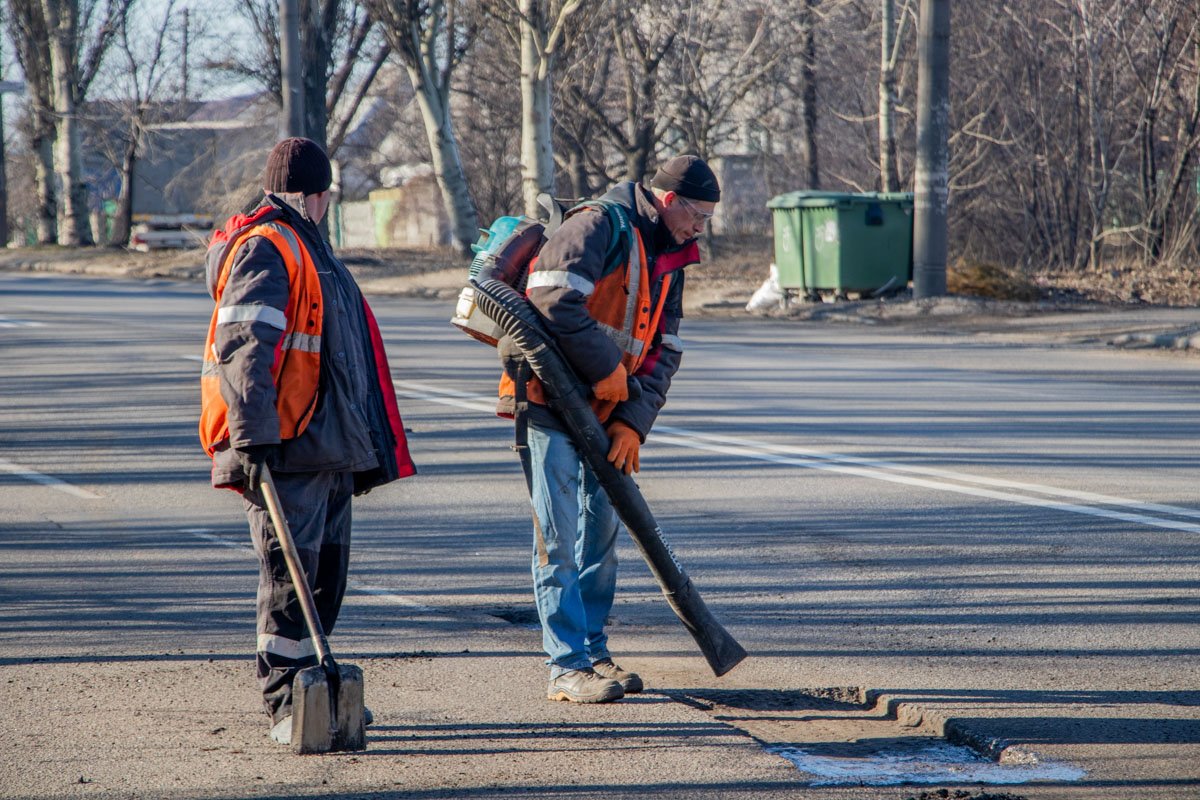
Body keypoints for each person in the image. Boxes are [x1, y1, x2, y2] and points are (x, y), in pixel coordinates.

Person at [199, 137, 416, 743]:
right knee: (286, 579)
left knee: (322, 577)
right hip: (287, 445)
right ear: (317, 197)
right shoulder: (268, 248)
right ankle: (284, 702)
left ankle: (312, 686)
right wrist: (254, 440)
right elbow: (244, 346)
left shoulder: (308, 248)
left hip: (326, 444)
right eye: (326, 195)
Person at [497, 155, 720, 703]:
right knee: (558, 539)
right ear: (670, 202)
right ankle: (565, 667)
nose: (701, 230)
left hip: (606, 413)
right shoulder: (597, 224)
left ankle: (594, 653)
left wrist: (632, 424)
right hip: (549, 399)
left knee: (600, 538)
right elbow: (552, 298)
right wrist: (606, 370)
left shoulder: (670, 253)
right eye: (699, 217)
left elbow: (666, 349)